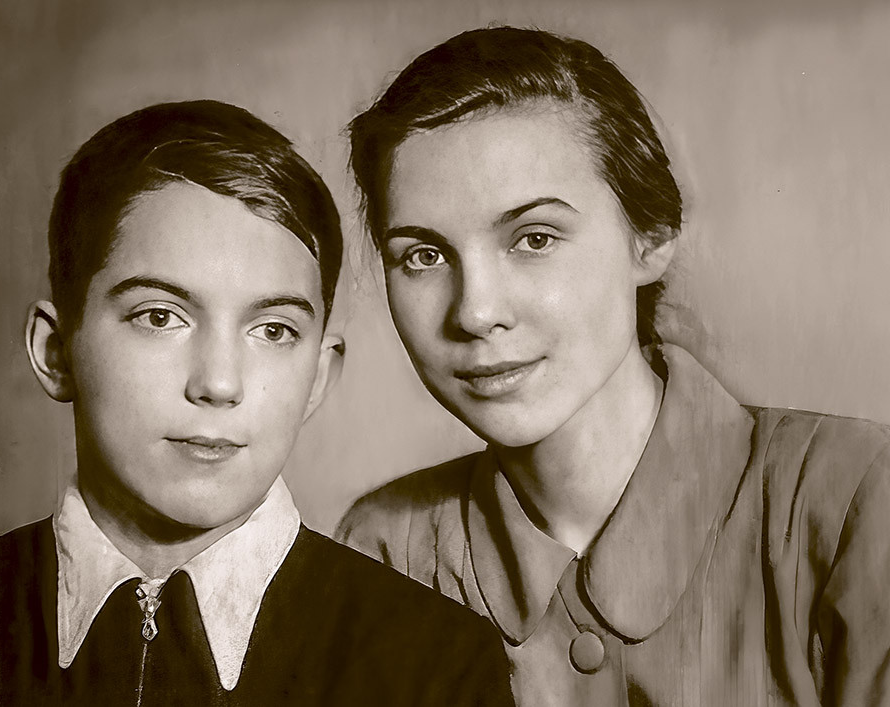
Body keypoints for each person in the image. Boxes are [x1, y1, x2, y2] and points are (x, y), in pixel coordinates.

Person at [0, 100, 514, 706]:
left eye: (273, 330)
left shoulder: (436, 668)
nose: (218, 383)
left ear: (318, 378)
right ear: (56, 352)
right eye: (160, 317)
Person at [336, 27, 890, 706]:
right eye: (423, 256)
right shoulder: (385, 550)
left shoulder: (854, 495)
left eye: (534, 238)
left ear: (650, 238)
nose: (475, 312)